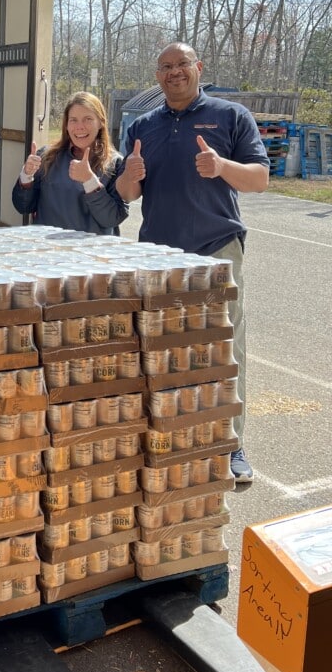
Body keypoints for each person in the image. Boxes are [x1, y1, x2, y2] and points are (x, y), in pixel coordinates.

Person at [115, 42, 269, 483]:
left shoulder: (230, 116)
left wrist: (221, 166)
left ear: (198, 67)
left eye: (182, 64)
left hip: (217, 248)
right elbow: (128, 196)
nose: (174, 72)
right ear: (157, 75)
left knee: (225, 350)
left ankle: (232, 445)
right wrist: (131, 175)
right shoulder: (144, 125)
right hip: (160, 255)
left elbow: (259, 179)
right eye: (165, 67)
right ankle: (170, 436)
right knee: (162, 352)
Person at [12, 91, 128, 235]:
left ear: (101, 123)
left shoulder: (115, 163)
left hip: (91, 253)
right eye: (73, 120)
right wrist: (26, 176)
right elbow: (23, 207)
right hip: (48, 251)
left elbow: (111, 219)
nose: (80, 126)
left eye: (87, 119)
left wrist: (90, 181)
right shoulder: (48, 156)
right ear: (66, 125)